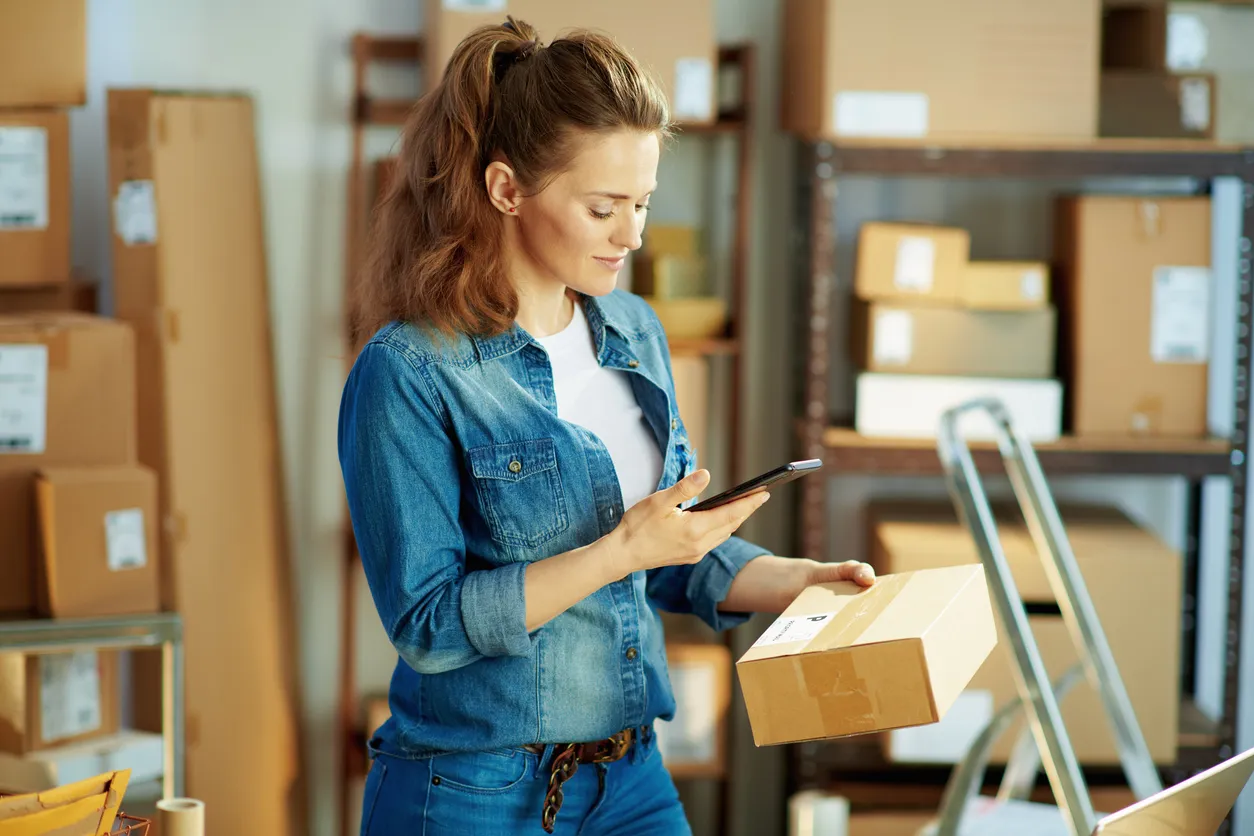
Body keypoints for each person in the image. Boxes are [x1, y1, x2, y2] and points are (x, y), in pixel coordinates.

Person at [338, 16, 877, 836]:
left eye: (643, 203)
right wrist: (621, 550)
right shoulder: (410, 370)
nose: (633, 235)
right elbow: (430, 625)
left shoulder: (633, 329)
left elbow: (674, 551)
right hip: (472, 793)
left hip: (631, 779)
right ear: (506, 189)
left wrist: (797, 582)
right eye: (602, 208)